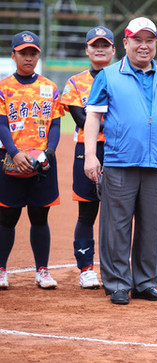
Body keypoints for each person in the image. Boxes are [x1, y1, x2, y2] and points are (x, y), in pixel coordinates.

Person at [84, 17, 157, 305]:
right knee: (116, 226)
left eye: (150, 40)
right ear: (126, 43)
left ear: (155, 43)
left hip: (156, 164)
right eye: (138, 39)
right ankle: (118, 283)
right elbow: (93, 116)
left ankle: (145, 283)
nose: (144, 46)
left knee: (150, 226)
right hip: (119, 162)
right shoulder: (108, 75)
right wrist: (92, 155)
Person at [0, 31, 63, 289]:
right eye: (23, 52)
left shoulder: (49, 87)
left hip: (42, 162)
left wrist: (48, 152)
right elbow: (2, 125)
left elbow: (56, 125)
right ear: (13, 54)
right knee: (7, 217)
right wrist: (15, 153)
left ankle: (42, 271)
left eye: (33, 52)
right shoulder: (4, 87)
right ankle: (1, 269)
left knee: (39, 216)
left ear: (38, 55)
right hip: (10, 159)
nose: (28, 57)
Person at [61, 26, 116, 289]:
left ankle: (114, 268)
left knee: (117, 213)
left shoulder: (122, 78)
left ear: (114, 50)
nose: (100, 49)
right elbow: (81, 119)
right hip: (87, 150)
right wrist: (116, 123)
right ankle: (86, 269)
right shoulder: (75, 82)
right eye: (95, 45)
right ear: (87, 50)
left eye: (105, 45)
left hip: (118, 151)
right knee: (87, 212)